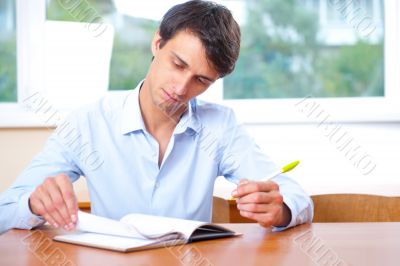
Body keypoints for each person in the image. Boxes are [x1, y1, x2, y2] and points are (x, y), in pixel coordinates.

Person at [0, 0, 313, 233]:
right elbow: (5, 211)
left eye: (201, 80)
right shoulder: (88, 123)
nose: (181, 88)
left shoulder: (220, 126)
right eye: (178, 64)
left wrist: (280, 209)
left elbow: (298, 197)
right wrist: (33, 203)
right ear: (157, 43)